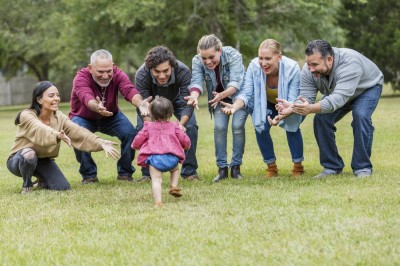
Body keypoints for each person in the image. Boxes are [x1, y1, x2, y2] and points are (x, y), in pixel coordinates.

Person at [281, 39, 383, 179]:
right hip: (339, 92)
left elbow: (337, 99)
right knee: (321, 119)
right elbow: (306, 97)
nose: (310, 69)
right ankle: (331, 167)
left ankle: (362, 167)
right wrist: (292, 107)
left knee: (361, 115)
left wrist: (310, 108)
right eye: (308, 64)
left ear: (329, 59)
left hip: (367, 87)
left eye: (315, 64)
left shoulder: (350, 64)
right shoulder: (308, 70)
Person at [7, 81, 120, 193]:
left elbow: (78, 131)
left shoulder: (59, 117)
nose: (56, 99)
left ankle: (42, 180)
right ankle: (27, 185)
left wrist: (100, 142)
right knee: (29, 154)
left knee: (62, 187)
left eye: (57, 95)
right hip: (19, 160)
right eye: (51, 96)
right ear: (39, 99)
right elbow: (39, 128)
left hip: (42, 160)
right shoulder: (27, 115)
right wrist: (56, 134)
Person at [220, 39, 305, 178]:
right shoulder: (254, 66)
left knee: (292, 126)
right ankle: (271, 167)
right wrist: (235, 106)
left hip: (288, 103)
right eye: (261, 58)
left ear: (279, 57)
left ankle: (298, 167)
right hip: (266, 103)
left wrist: (283, 113)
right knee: (260, 126)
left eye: (268, 59)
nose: (263, 63)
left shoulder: (293, 67)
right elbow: (247, 93)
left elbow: (293, 98)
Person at [69, 49, 151, 184]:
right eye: (100, 72)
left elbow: (129, 89)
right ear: (90, 68)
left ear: (113, 66)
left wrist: (140, 103)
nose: (106, 76)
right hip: (83, 117)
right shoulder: (81, 77)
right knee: (77, 133)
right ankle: (89, 175)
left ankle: (125, 173)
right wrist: (97, 106)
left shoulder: (118, 74)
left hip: (111, 117)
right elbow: (85, 96)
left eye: (109, 71)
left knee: (130, 133)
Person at [186, 34, 248, 182]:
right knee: (219, 128)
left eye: (211, 57)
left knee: (237, 126)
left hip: (238, 96)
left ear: (220, 50)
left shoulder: (233, 55)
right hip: (218, 98)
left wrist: (221, 95)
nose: (207, 61)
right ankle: (222, 169)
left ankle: (236, 168)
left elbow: (236, 83)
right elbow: (196, 81)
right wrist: (194, 96)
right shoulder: (197, 60)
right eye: (204, 58)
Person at [135, 46, 200, 181]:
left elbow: (187, 103)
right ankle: (147, 173)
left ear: (172, 66)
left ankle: (189, 172)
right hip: (152, 103)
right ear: (150, 69)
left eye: (166, 71)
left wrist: (181, 125)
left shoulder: (183, 71)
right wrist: (149, 125)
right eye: (157, 72)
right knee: (143, 128)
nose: (162, 75)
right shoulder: (141, 74)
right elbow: (144, 105)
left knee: (191, 127)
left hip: (177, 100)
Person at [131, 97, 191, 207]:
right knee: (175, 170)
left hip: (155, 160)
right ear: (171, 113)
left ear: (151, 113)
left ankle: (158, 202)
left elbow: (139, 139)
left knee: (156, 180)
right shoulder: (175, 126)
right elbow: (184, 139)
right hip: (172, 158)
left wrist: (135, 146)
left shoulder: (148, 126)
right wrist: (187, 146)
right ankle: (173, 186)